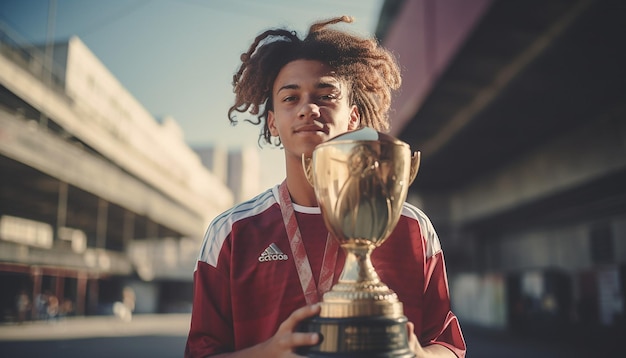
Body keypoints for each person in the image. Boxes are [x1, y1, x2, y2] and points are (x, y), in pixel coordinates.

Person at [185, 16, 466, 358]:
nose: (308, 109)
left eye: (326, 95)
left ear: (352, 118)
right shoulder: (230, 233)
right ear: (272, 122)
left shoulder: (411, 227)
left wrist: (419, 356)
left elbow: (448, 345)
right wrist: (268, 353)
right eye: (290, 98)